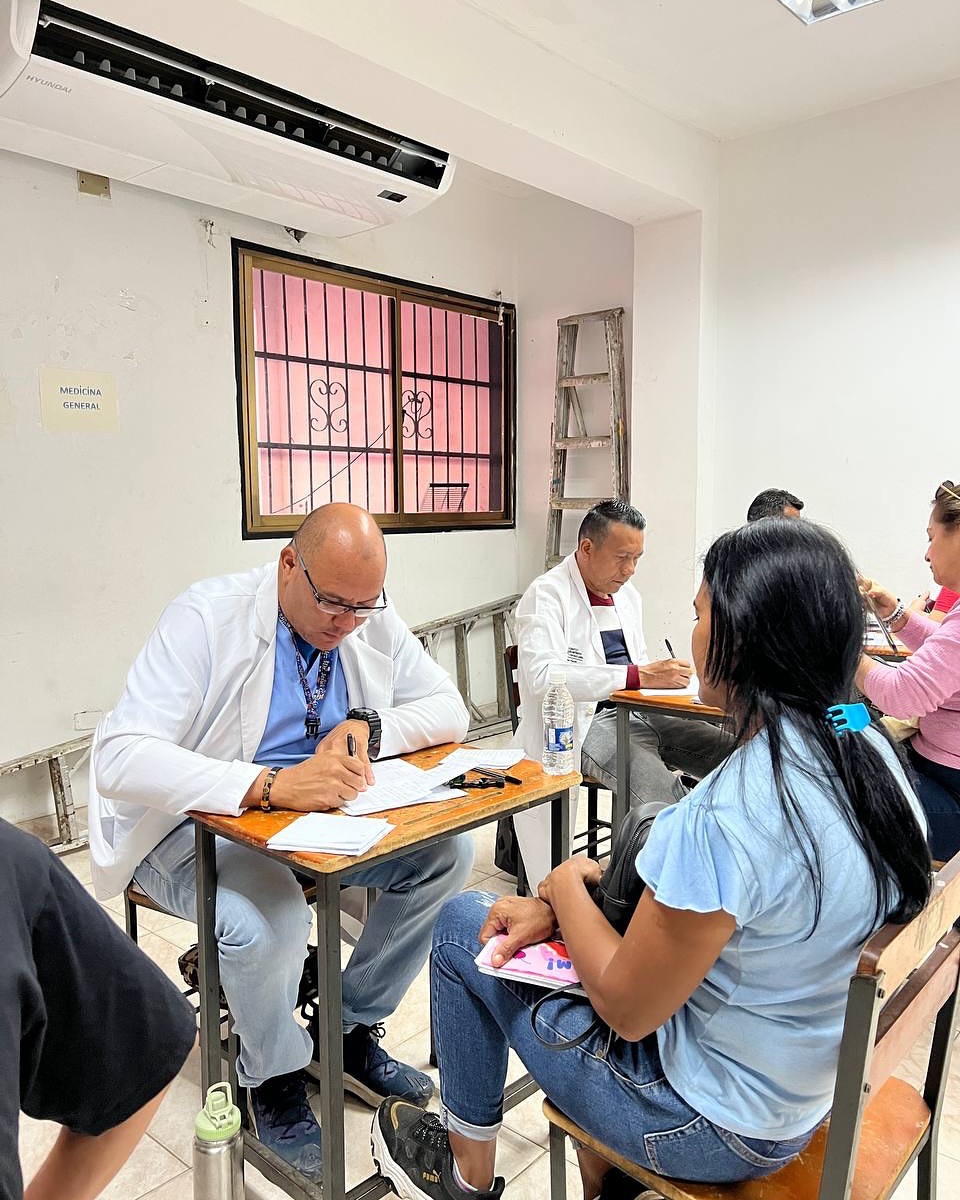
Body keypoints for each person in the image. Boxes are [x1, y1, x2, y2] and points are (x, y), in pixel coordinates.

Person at [371, 519, 931, 1200]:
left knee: (465, 922)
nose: (691, 632)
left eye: (699, 615)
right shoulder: (867, 750)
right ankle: (602, 1178)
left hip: (710, 1126)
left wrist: (562, 889)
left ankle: (462, 1176)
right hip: (809, 1086)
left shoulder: (733, 812)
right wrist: (564, 911)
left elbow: (630, 1012)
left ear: (741, 640)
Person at [89, 503, 473, 1181]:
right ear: (288, 564)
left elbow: (450, 709)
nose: (346, 622)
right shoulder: (207, 618)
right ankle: (272, 1076)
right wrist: (266, 785)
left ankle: (345, 1030)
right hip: (194, 822)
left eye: (362, 606)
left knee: (448, 857)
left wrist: (370, 728)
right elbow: (121, 757)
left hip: (308, 823)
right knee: (269, 919)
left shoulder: (364, 613)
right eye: (332, 603)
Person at [512, 500, 730, 887]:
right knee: (660, 791)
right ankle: (690, 879)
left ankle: (743, 843)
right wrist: (635, 674)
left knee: (732, 753)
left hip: (639, 711)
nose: (629, 570)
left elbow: (639, 668)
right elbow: (541, 676)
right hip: (585, 725)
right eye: (622, 557)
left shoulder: (629, 597)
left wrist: (670, 685)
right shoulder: (547, 595)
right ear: (587, 548)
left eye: (637, 558)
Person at [2, 818, 195, 1200]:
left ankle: (286, 1064)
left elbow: (141, 1045)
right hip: (168, 834)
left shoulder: (11, 866)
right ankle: (272, 1079)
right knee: (255, 934)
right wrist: (260, 788)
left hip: (268, 826)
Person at [857, 480, 960, 861]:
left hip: (952, 791)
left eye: (932, 538)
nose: (927, 554)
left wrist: (841, 645)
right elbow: (947, 650)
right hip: (935, 766)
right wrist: (896, 614)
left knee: (838, 784)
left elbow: (902, 694)